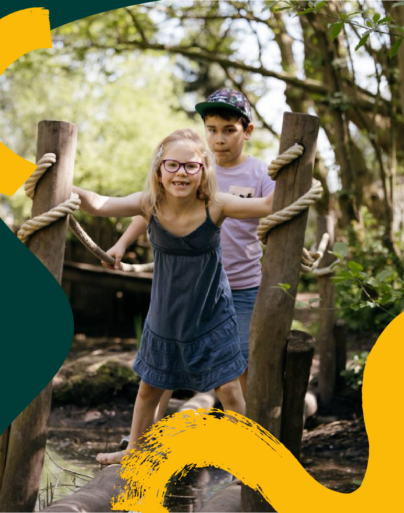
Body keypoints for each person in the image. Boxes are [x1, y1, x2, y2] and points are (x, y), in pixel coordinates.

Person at [72, 128, 274, 465]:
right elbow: (97, 203)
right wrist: (56, 182)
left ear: (204, 171)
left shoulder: (216, 205)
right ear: (159, 170)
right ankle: (134, 450)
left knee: (228, 390)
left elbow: (268, 205)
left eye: (191, 166)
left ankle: (247, 454)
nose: (181, 172)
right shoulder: (149, 204)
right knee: (149, 388)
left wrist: (295, 170)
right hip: (166, 314)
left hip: (210, 313)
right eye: (173, 165)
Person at [107, 90, 274, 426]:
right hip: (189, 287)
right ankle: (142, 438)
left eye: (228, 130)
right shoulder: (190, 169)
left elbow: (276, 205)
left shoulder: (258, 173)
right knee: (164, 368)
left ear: (247, 131)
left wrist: (301, 177)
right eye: (211, 129)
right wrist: (123, 242)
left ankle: (248, 434)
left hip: (238, 286)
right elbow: (152, 211)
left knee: (237, 364)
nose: (219, 138)